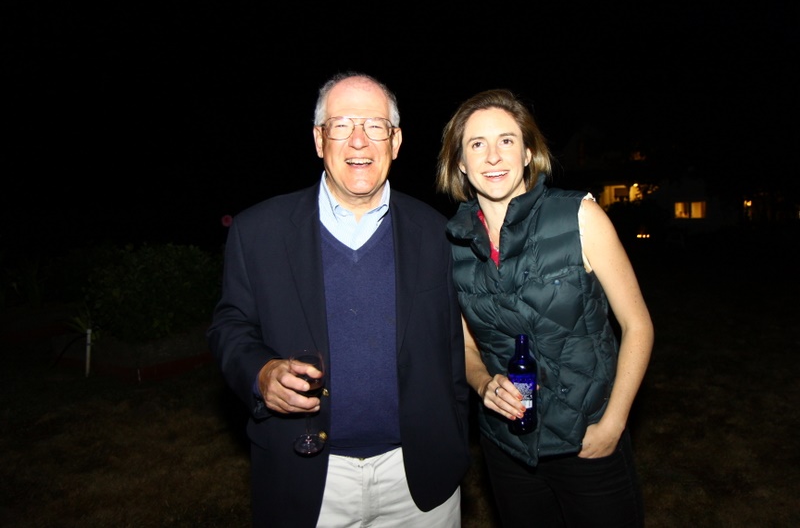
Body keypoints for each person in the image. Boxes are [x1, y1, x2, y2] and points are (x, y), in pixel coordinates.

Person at [207, 72, 470, 528]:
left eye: (374, 126)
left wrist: (455, 439)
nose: (359, 141)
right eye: (342, 125)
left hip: (419, 480)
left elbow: (453, 353)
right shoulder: (258, 232)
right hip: (308, 478)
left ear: (396, 141)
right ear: (319, 139)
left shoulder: (437, 234)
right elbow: (230, 325)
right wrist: (261, 372)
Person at [435, 89, 654, 527]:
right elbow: (466, 347)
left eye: (507, 140)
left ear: (528, 153)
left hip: (588, 441)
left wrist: (614, 423)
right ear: (459, 162)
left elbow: (637, 325)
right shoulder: (453, 243)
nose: (493, 156)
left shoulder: (579, 217)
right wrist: (484, 384)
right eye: (477, 144)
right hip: (507, 448)